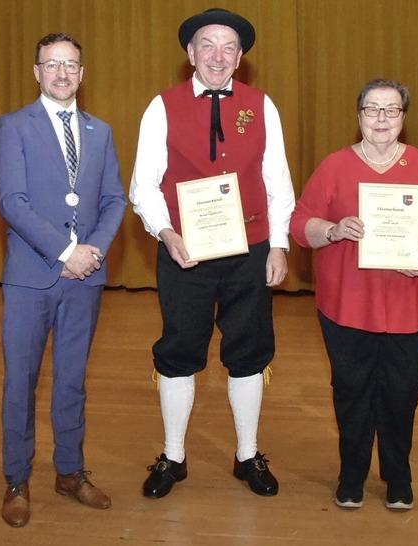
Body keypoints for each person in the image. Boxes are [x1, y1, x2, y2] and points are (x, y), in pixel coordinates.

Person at [129, 8, 294, 499]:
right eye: (207, 45)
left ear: (240, 57)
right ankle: (173, 455)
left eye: (228, 47)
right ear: (190, 54)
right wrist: (165, 233)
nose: (217, 55)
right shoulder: (161, 106)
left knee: (248, 349)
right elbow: (144, 184)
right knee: (179, 349)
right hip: (186, 252)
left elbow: (277, 180)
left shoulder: (262, 105)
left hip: (250, 250)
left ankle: (247, 454)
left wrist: (279, 244)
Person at [290, 79, 418, 510]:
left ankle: (397, 476)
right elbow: (300, 223)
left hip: (412, 304)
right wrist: (332, 230)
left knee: (402, 391)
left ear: (404, 118)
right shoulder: (334, 166)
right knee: (350, 390)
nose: (382, 119)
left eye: (391, 110)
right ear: (359, 117)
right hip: (346, 304)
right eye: (372, 110)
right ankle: (351, 474)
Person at [0, 33, 127, 527]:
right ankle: (16, 479)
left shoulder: (101, 130)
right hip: (32, 278)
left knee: (72, 382)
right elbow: (12, 202)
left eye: (71, 65)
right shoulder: (12, 127)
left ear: (82, 73)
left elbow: (114, 199)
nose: (62, 73)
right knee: (21, 382)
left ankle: (69, 471)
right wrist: (67, 251)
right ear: (36, 72)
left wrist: (91, 253)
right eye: (52, 65)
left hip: (84, 280)